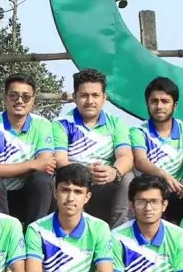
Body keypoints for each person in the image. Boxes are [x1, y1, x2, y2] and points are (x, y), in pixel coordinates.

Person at [52, 68, 134, 225]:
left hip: (105, 184)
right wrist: (84, 172)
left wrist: (114, 172)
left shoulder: (116, 123)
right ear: (75, 97)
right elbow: (60, 160)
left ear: (104, 98)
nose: (90, 101)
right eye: (84, 95)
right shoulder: (61, 123)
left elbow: (126, 156)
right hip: (74, 183)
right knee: (54, 179)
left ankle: (119, 232)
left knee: (127, 177)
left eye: (95, 95)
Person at [0, 73, 56, 226]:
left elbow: (45, 165)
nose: (20, 101)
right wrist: (32, 165)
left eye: (26, 97)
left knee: (42, 180)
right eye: (14, 95)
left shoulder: (43, 124)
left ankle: (35, 232)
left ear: (33, 100)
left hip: (28, 191)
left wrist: (5, 169)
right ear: (5, 98)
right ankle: (6, 232)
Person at [130, 76, 183, 222]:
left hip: (179, 189)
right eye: (154, 101)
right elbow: (140, 160)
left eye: (165, 101)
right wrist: (163, 175)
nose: (159, 106)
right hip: (151, 188)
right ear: (147, 103)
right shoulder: (138, 131)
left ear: (175, 105)